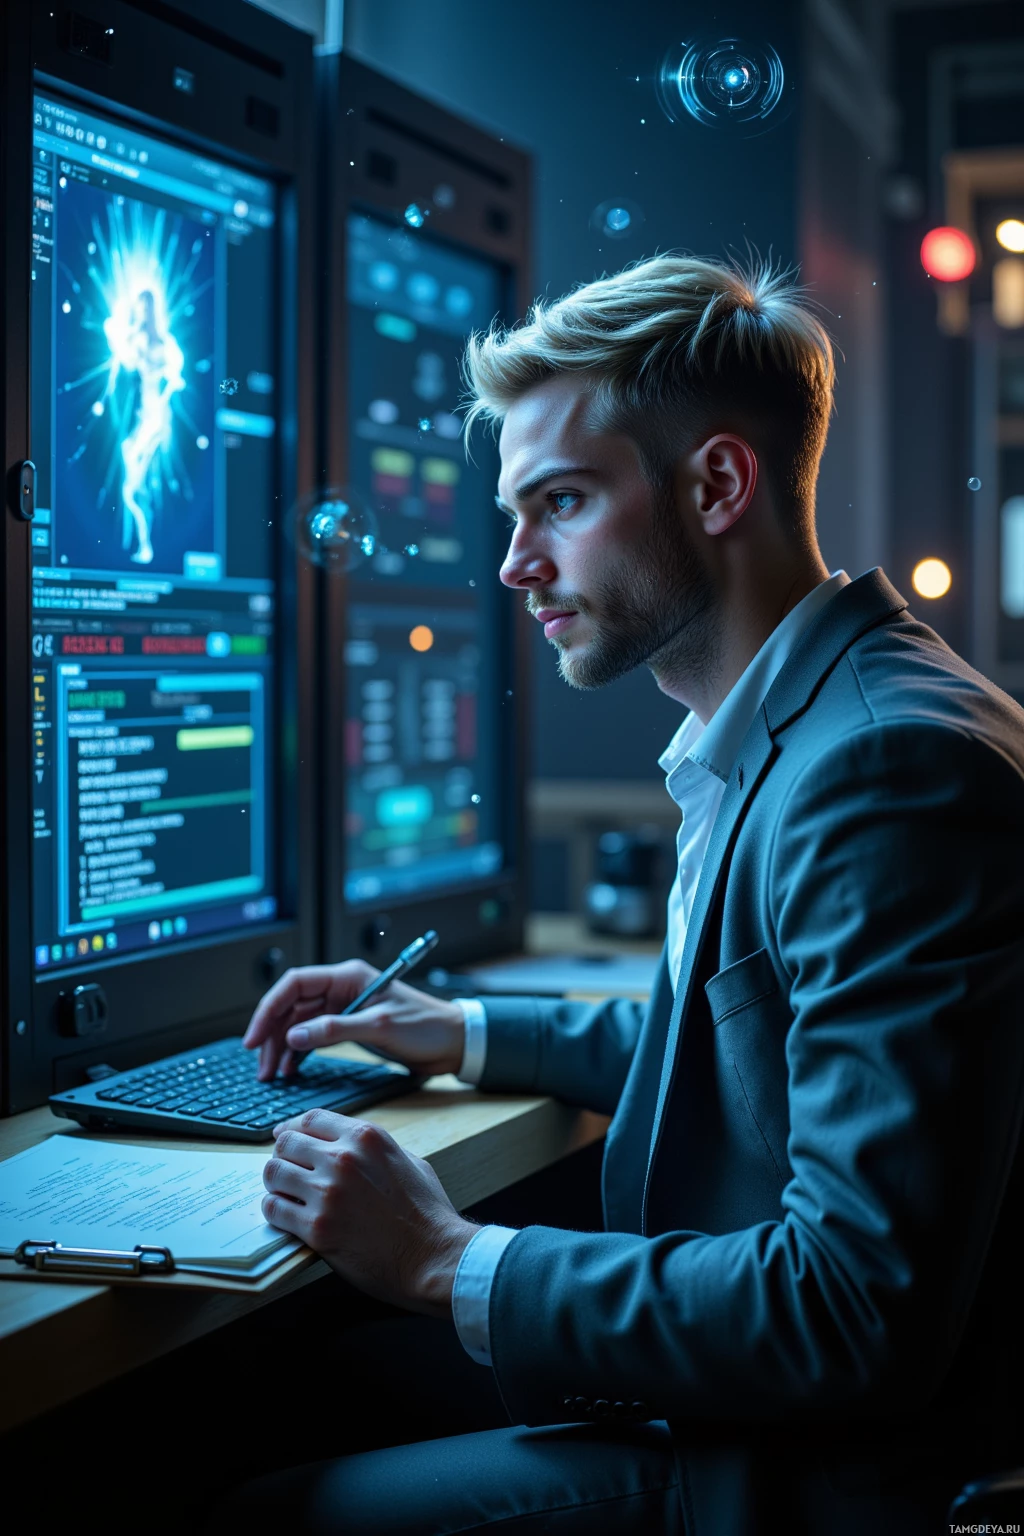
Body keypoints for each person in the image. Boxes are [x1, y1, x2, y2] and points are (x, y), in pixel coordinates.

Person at [231, 255, 1024, 1534]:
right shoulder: (820, 715)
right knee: (297, 1385)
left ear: (716, 484)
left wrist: (447, 1261)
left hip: (814, 1476)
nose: (513, 565)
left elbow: (853, 1306)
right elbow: (756, 1042)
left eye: (558, 503)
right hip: (774, 1418)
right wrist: (464, 1032)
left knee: (267, 1504)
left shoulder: (886, 770)